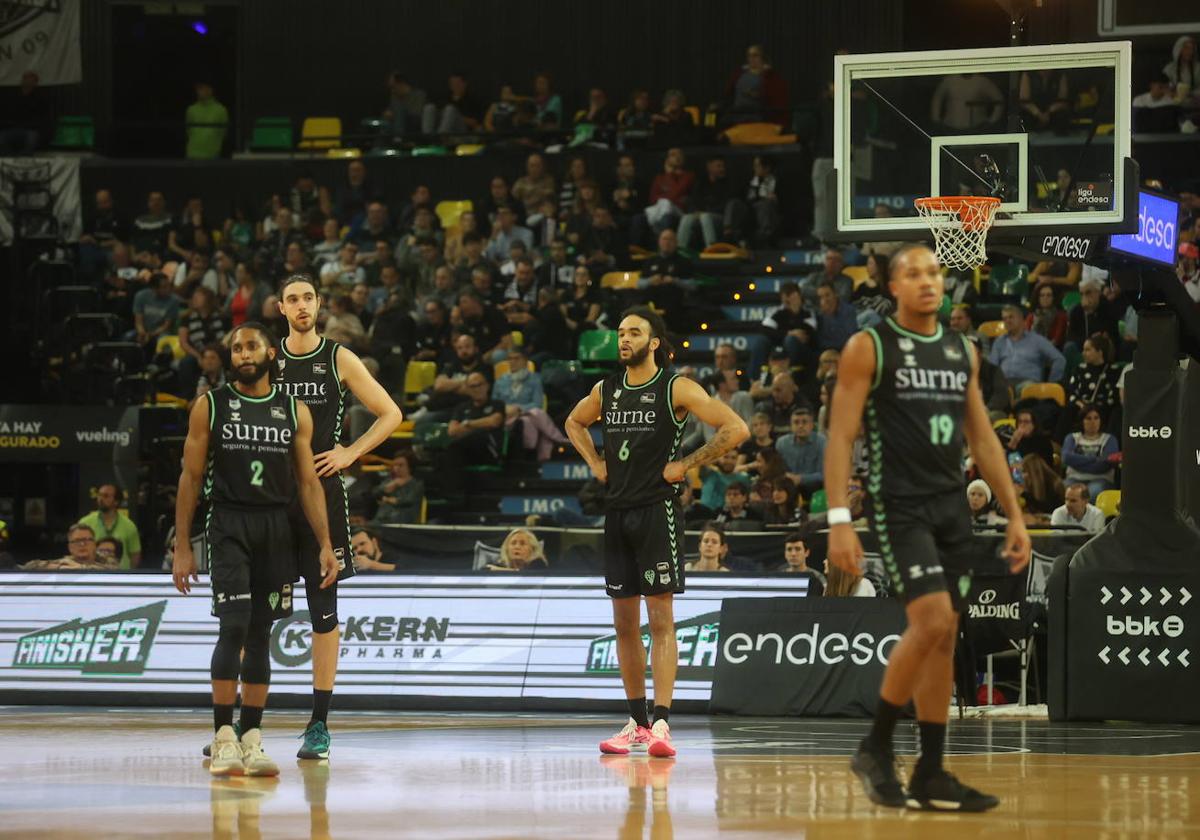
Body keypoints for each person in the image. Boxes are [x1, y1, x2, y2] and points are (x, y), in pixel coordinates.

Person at [826, 243, 1029, 811]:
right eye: (913, 273)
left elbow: (983, 436)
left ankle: (932, 771)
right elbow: (841, 437)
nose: (927, 282)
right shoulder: (868, 347)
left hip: (950, 507)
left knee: (945, 636)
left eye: (935, 272)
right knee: (932, 617)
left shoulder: (963, 349)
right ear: (891, 286)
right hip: (899, 506)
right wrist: (841, 520)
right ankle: (876, 745)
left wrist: (1013, 512)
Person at [565, 306, 749, 759]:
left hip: (657, 511)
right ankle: (636, 723)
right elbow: (573, 422)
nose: (623, 339)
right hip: (617, 513)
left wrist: (686, 464)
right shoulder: (605, 390)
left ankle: (663, 723)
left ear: (653, 343)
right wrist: (595, 464)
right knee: (624, 625)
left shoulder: (676, 387)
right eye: (620, 332)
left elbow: (736, 428)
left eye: (634, 333)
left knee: (661, 621)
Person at [173, 322, 337, 777]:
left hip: (275, 528)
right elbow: (189, 477)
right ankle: (223, 736)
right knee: (234, 627)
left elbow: (307, 482)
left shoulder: (295, 410)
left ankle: (252, 737)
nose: (244, 354)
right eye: (237, 348)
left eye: (252, 346)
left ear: (269, 354)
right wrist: (182, 546)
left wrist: (326, 543)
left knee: (261, 634)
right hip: (228, 523)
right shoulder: (210, 406)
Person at [274, 275, 404, 760]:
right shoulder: (269, 358)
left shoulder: (338, 357)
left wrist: (350, 452)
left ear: (319, 304)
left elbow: (390, 412)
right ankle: (244, 727)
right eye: (293, 299)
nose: (302, 305)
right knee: (253, 615)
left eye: (308, 297)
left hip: (323, 494)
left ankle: (319, 723)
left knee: (323, 614)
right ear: (281, 308)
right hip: (272, 495)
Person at [492, 346, 568, 461]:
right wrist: (507, 410)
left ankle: (528, 457)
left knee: (530, 419)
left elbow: (537, 403)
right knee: (534, 416)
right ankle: (558, 439)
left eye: (516, 358)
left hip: (527, 414)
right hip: (505, 416)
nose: (512, 362)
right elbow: (494, 403)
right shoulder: (500, 381)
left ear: (525, 360)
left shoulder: (534, 379)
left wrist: (518, 409)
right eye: (510, 359)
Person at [989, 304, 1066, 391]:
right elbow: (992, 368)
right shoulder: (999, 342)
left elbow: (1059, 359)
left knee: (1025, 389)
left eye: (1011, 317)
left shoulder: (1037, 340)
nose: (1007, 321)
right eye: (1004, 318)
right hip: (1004, 385)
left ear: (1022, 319)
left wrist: (1051, 385)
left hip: (1028, 385)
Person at [76, 483, 142, 569]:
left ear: (116, 501)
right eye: (99, 495)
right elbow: (78, 550)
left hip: (120, 577)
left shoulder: (129, 526)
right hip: (93, 575)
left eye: (106, 496)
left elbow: (135, 556)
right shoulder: (85, 523)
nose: (100, 499)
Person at [1062, 404, 1119, 500]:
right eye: (1088, 418)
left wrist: (1077, 463)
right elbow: (1067, 458)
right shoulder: (1072, 438)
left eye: (1096, 418)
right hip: (1074, 478)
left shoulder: (1110, 439)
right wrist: (1094, 459)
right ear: (1082, 421)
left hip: (1101, 479)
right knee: (1062, 489)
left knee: (1092, 493)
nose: (1093, 422)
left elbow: (1105, 465)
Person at [775, 407, 825, 494]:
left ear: (812, 425)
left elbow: (824, 475)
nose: (800, 426)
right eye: (796, 422)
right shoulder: (782, 443)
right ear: (791, 426)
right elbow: (778, 471)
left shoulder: (822, 442)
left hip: (815, 490)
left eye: (804, 422)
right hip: (788, 489)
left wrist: (800, 479)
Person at [371, 450, 425, 526]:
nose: (396, 468)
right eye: (395, 465)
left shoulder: (416, 484)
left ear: (410, 466)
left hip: (403, 523)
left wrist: (386, 499)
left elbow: (407, 500)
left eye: (401, 465)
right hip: (381, 521)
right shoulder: (389, 481)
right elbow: (375, 493)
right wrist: (386, 488)